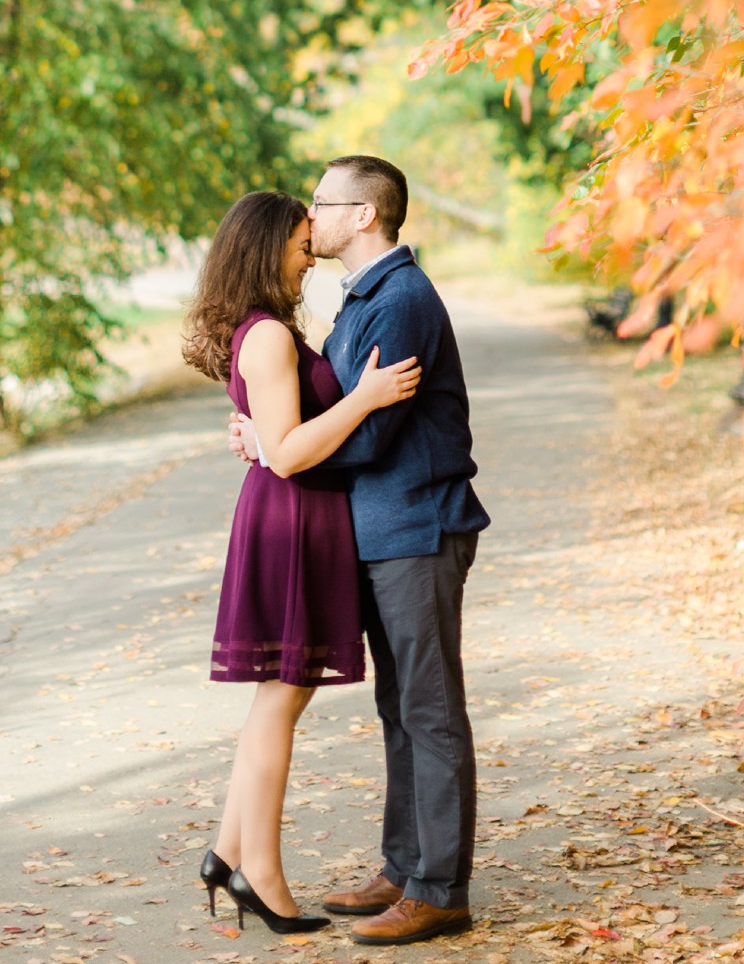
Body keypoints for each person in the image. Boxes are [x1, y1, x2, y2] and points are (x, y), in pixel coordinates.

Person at [231, 155, 490, 946]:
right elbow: (329, 407)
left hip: (418, 526)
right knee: (398, 707)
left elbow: (370, 432)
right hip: (377, 533)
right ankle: (405, 865)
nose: (311, 217)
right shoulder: (362, 299)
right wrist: (270, 436)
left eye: (322, 203)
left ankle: (439, 889)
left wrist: (280, 449)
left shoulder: (400, 298)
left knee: (430, 708)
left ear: (363, 216)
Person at [182, 189, 422, 937]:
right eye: (295, 246)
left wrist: (263, 431)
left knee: (278, 700)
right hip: (292, 520)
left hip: (300, 517)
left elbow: (274, 434)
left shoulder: (266, 332)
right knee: (280, 701)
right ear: (264, 251)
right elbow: (288, 453)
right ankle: (263, 875)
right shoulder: (268, 337)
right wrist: (367, 398)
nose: (304, 256)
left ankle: (227, 854)